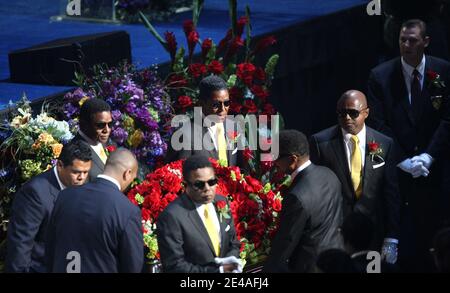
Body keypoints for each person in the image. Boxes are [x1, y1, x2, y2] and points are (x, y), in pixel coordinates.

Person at [367, 19, 450, 271]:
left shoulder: (443, 71)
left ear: (425, 42)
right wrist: (401, 159)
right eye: (402, 40)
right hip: (398, 171)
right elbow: (378, 125)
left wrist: (429, 156)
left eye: (412, 40)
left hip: (435, 169)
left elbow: (447, 117)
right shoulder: (381, 77)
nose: (406, 45)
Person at [310, 90, 401, 263]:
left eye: (353, 113)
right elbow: (317, 192)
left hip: (374, 232)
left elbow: (391, 194)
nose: (347, 118)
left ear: (366, 112)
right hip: (336, 233)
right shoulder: (320, 143)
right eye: (341, 113)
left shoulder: (384, 143)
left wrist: (392, 237)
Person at [45, 148, 143, 273]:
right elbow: (132, 266)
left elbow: (50, 249)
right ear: (127, 173)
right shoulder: (127, 210)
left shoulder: (65, 196)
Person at [263, 130, 343, 273]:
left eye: (276, 156)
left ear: (293, 159)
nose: (274, 162)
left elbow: (285, 244)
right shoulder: (329, 174)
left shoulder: (297, 196)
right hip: (337, 260)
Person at [5, 141, 92, 273]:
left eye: (86, 172)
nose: (82, 178)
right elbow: (20, 246)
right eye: (76, 172)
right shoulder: (35, 193)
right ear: (60, 165)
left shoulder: (84, 185)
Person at [157, 155, 241, 273]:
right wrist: (218, 271)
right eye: (199, 185)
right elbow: (175, 266)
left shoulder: (222, 202)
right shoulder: (172, 217)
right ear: (185, 185)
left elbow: (233, 243)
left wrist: (230, 262)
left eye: (212, 182)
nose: (207, 188)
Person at [166, 75, 244, 167]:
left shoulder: (233, 127)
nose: (222, 109)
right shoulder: (184, 135)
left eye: (226, 103)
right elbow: (179, 174)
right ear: (201, 104)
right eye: (215, 105)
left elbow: (240, 167)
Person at [72, 98, 114, 180]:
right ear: (84, 124)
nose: (107, 130)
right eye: (100, 125)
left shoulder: (111, 144)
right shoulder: (74, 153)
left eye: (110, 124)